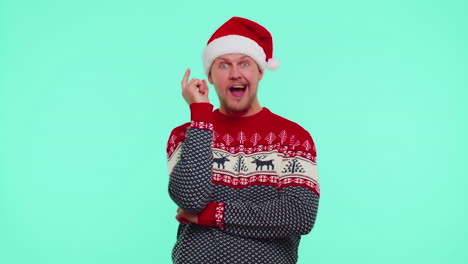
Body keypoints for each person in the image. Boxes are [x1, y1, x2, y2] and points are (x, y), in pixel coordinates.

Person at [166, 17, 320, 264]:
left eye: (244, 63)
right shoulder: (186, 134)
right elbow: (190, 199)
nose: (235, 73)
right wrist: (201, 116)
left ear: (260, 71)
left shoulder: (293, 139)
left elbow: (298, 216)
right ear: (210, 77)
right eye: (224, 65)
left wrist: (211, 214)